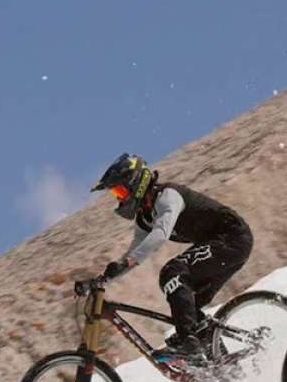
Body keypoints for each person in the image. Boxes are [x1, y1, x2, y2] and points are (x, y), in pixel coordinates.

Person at [92, 153, 253, 362]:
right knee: (189, 307)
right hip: (221, 245)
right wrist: (104, 279)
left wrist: (127, 262)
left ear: (136, 183)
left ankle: (189, 342)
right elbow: (135, 252)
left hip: (233, 238)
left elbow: (160, 235)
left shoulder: (168, 195)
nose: (119, 198)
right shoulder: (144, 217)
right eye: (116, 193)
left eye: (120, 191)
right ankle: (223, 370)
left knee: (172, 272)